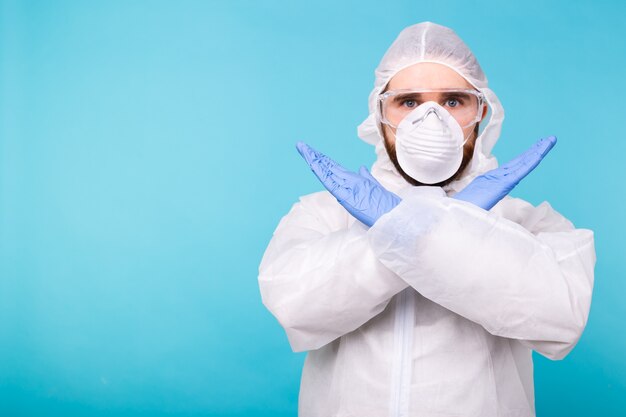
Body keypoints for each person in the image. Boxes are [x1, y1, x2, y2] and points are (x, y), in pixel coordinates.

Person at [258, 22, 595, 417]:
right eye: (409, 102)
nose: (431, 119)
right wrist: (407, 227)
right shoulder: (323, 213)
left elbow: (560, 320)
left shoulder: (529, 222)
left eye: (453, 101)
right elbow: (296, 310)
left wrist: (437, 227)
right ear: (379, 113)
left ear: (481, 111)